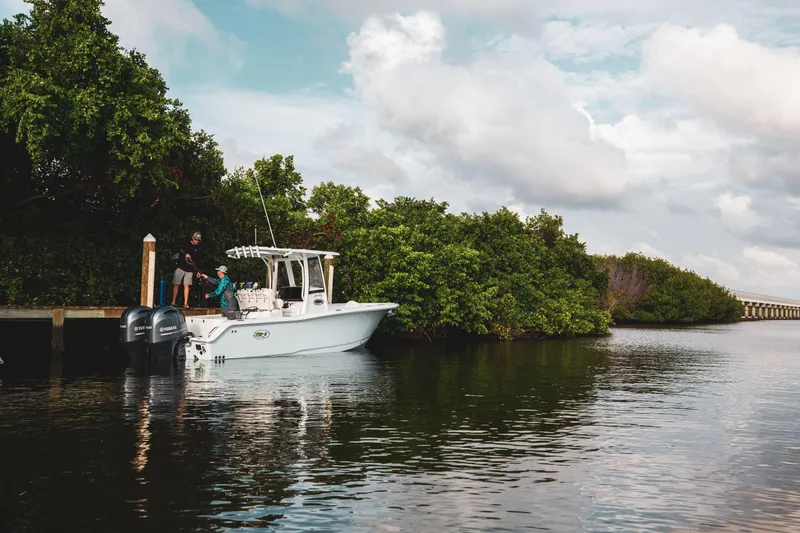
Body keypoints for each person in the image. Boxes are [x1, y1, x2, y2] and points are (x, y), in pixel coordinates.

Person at [171, 231, 202, 309]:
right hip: (180, 267)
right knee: (176, 284)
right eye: (196, 239)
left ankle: (185, 303)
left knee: (187, 285)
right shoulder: (185, 244)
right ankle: (173, 302)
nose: (197, 241)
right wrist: (186, 255)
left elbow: (197, 261)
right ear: (192, 238)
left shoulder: (198, 248)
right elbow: (180, 251)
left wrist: (198, 271)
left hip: (190, 269)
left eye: (198, 240)